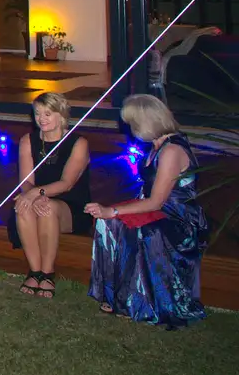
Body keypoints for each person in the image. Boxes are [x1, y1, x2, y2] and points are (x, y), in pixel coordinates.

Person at [86, 94, 208, 327]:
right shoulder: (158, 145)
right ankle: (117, 295)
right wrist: (113, 212)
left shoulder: (171, 150)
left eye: (133, 124)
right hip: (161, 208)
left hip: (178, 219)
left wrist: (113, 210)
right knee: (107, 223)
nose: (130, 129)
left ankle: (141, 301)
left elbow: (156, 203)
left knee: (144, 230)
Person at [9, 92, 93, 298]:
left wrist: (37, 194)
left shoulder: (78, 143)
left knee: (48, 209)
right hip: (37, 196)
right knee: (23, 207)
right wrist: (32, 196)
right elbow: (26, 181)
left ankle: (48, 274)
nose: (41, 119)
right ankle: (34, 271)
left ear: (61, 115)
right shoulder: (28, 141)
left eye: (48, 114)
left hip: (70, 204)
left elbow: (67, 183)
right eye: (37, 114)